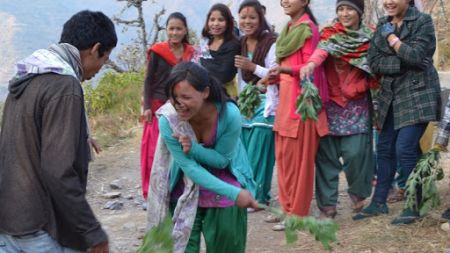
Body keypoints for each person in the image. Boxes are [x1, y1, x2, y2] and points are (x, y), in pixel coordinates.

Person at [0, 10, 117, 253]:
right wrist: (92, 232)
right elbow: (57, 171)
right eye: (104, 61)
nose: (98, 69)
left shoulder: (26, 77)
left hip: (8, 223)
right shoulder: (65, 87)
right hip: (41, 228)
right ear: (95, 49)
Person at [146, 62, 258, 253]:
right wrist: (235, 194)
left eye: (186, 97)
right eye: (174, 98)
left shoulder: (229, 115)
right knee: (181, 247)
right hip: (185, 183)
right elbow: (190, 168)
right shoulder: (169, 119)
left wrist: (194, 149)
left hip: (226, 177)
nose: (179, 104)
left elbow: (222, 160)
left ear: (205, 92)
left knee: (227, 245)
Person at [353, 0, 441, 225]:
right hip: (390, 96)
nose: (389, 2)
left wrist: (392, 39)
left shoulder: (422, 21)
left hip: (417, 95)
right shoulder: (383, 22)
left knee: (405, 147)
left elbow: (418, 55)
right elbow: (373, 62)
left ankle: (414, 203)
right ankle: (379, 201)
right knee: (384, 147)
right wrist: (404, 60)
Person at [299, 0, 376, 219]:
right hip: (330, 104)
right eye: (340, 9)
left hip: (357, 105)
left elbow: (377, 69)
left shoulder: (370, 37)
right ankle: (327, 206)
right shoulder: (330, 34)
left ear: (359, 12)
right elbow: (321, 52)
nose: (345, 13)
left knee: (357, 153)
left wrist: (358, 87)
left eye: (350, 8)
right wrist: (311, 65)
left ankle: (359, 194)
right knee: (326, 157)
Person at [266, 0, 329, 231]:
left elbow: (309, 68)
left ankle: (298, 213)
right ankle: (286, 207)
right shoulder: (288, 29)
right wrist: (273, 76)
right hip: (285, 101)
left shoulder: (307, 29)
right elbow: (289, 65)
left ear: (305, 1)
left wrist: (284, 70)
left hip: (302, 104)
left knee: (300, 162)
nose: (285, 1)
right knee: (283, 158)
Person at [140, 12, 195, 201]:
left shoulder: (191, 53)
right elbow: (149, 80)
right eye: (171, 28)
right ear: (166, 30)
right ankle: (152, 192)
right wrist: (147, 106)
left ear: (185, 30)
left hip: (181, 106)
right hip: (157, 106)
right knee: (153, 150)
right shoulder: (157, 51)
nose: (174, 32)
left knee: (178, 147)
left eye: (178, 29)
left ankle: (174, 189)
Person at [234, 0, 278, 209]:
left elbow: (275, 72)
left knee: (260, 147)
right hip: (248, 102)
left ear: (261, 19)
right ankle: (246, 194)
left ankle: (260, 196)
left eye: (252, 17)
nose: (247, 21)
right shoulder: (240, 43)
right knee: (243, 147)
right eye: (243, 17)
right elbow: (240, 79)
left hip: (268, 102)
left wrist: (253, 67)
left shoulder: (271, 42)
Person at [198, 3, 241, 98]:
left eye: (221, 20)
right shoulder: (205, 42)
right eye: (212, 19)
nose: (216, 23)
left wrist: (206, 69)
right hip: (205, 94)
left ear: (228, 22)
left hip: (227, 96)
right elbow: (201, 64)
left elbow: (224, 75)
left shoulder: (233, 44)